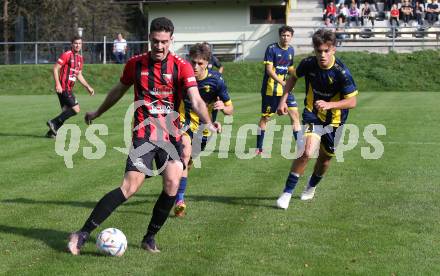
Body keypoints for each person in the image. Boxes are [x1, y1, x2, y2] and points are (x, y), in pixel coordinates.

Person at [66, 17, 218, 255]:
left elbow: (196, 99)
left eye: (164, 42)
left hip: (171, 137)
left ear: (171, 40)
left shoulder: (182, 67)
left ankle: (149, 238)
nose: (159, 46)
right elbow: (118, 90)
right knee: (130, 186)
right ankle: (82, 233)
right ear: (149, 38)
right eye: (156, 41)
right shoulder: (135, 64)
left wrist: (209, 122)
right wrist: (97, 112)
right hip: (144, 136)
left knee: (172, 183)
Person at [275, 29, 358, 210]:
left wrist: (330, 105)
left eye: (326, 51)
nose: (322, 55)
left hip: (335, 121)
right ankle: (287, 193)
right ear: (314, 50)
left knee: (325, 160)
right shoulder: (308, 64)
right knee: (306, 152)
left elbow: (352, 101)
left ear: (333, 49)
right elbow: (293, 77)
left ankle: (311, 186)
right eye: (318, 50)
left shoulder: (341, 72)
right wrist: (283, 100)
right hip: (313, 114)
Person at [174, 43, 234, 217]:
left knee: (189, 160)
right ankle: (180, 201)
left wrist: (223, 107)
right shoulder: (182, 77)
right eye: (193, 62)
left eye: (200, 63)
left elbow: (231, 109)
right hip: (183, 123)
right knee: (184, 154)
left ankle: (179, 178)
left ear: (208, 63)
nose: (195, 66)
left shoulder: (216, 80)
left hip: (204, 128)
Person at [256, 25, 301, 155]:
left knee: (295, 116)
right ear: (279, 36)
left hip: (286, 90)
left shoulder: (291, 50)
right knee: (265, 118)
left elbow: (290, 68)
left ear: (291, 37)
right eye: (283, 35)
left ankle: (300, 147)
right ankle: (259, 148)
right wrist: (282, 82)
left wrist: (297, 74)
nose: (285, 38)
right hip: (271, 90)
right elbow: (269, 70)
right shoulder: (271, 49)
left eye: (288, 35)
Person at [46, 36, 94, 138]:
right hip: (63, 87)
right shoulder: (66, 55)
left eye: (79, 43)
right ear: (71, 44)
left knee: (65, 112)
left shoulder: (80, 59)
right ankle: (53, 122)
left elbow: (79, 75)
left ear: (82, 45)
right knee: (76, 109)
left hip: (69, 88)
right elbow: (55, 69)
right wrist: (57, 84)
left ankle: (50, 133)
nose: (77, 45)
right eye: (75, 43)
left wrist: (87, 87)